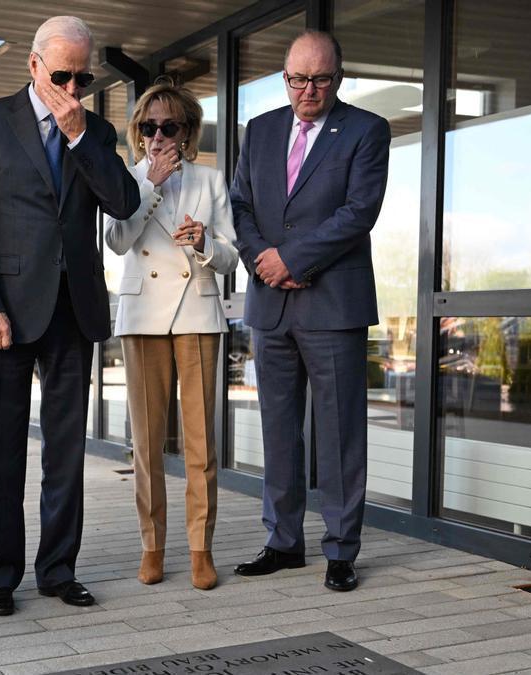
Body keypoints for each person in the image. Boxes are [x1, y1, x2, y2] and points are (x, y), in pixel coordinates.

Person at [0, 15, 140, 616]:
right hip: (5, 314)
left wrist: (81, 136)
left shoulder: (96, 128)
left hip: (73, 312)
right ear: (33, 65)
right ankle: (0, 576)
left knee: (66, 453)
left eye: (84, 76)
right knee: (3, 452)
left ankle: (58, 570)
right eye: (63, 74)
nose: (74, 86)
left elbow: (124, 201)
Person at [229, 30, 390, 592]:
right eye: (298, 79)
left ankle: (342, 550)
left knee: (340, 433)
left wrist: (293, 258)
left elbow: (358, 212)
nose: (308, 90)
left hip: (333, 305)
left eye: (320, 79)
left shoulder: (368, 130)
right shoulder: (261, 129)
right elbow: (241, 205)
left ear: (338, 79)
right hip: (270, 304)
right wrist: (262, 261)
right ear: (285, 78)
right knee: (277, 430)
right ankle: (283, 542)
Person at [103, 80, 238, 590]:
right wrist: (149, 185)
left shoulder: (211, 181)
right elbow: (116, 241)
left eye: (169, 126)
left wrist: (205, 242)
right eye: (148, 127)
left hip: (197, 314)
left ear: (186, 132)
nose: (158, 135)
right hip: (142, 318)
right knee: (146, 444)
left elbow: (231, 257)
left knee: (201, 444)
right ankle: (152, 546)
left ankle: (201, 549)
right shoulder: (127, 177)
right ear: (138, 133)